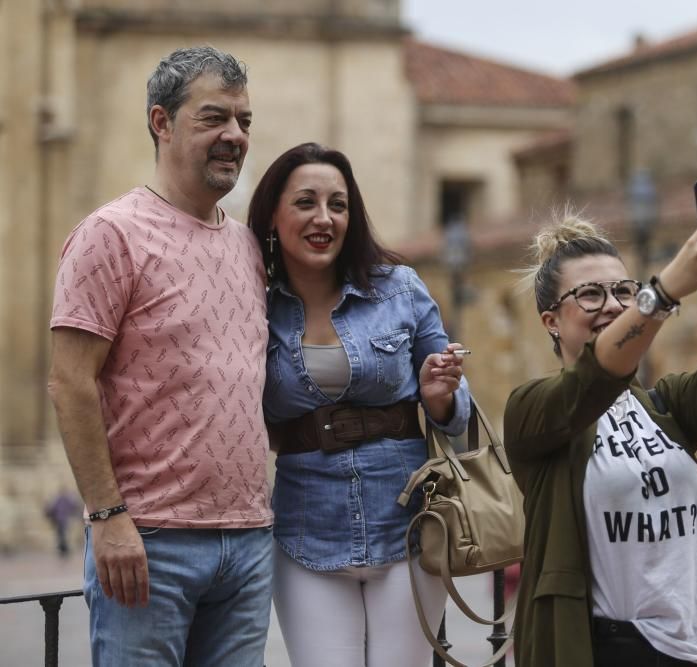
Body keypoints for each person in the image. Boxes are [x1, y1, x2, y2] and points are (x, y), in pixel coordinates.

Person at [47, 46, 273, 666]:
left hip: (249, 543)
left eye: (244, 121)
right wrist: (107, 517)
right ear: (161, 122)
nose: (234, 136)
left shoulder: (249, 247)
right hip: (148, 544)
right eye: (214, 119)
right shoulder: (111, 234)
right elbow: (70, 382)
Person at [505, 203, 697, 667]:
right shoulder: (533, 410)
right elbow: (591, 380)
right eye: (590, 294)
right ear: (551, 320)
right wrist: (664, 292)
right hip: (612, 650)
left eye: (622, 291)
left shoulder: (663, 406)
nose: (611, 304)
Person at [247, 142, 471, 667]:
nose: (324, 217)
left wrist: (440, 396)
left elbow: (459, 409)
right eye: (305, 202)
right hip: (306, 529)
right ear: (274, 216)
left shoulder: (399, 289)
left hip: (411, 522)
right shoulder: (252, 300)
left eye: (338, 204)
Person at [44, 487, 82, 558]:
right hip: (64, 519)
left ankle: (63, 549)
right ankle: (64, 549)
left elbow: (52, 508)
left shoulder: (58, 499)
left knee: (61, 535)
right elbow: (74, 506)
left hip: (60, 520)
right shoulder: (66, 499)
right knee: (63, 534)